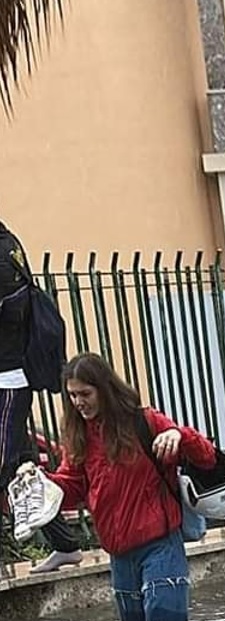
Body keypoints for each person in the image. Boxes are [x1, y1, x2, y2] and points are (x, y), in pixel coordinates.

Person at [31, 353, 216, 621]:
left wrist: (179, 435)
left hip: (160, 545)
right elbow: (71, 487)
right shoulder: (78, 435)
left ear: (105, 389)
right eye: (72, 395)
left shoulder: (144, 421)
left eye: (85, 394)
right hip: (119, 554)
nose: (78, 402)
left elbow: (207, 457)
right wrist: (39, 485)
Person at [0, 220, 84, 573]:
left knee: (3, 464)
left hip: (7, 378)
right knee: (22, 467)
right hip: (8, 374)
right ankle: (65, 544)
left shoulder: (3, 252)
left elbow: (12, 308)